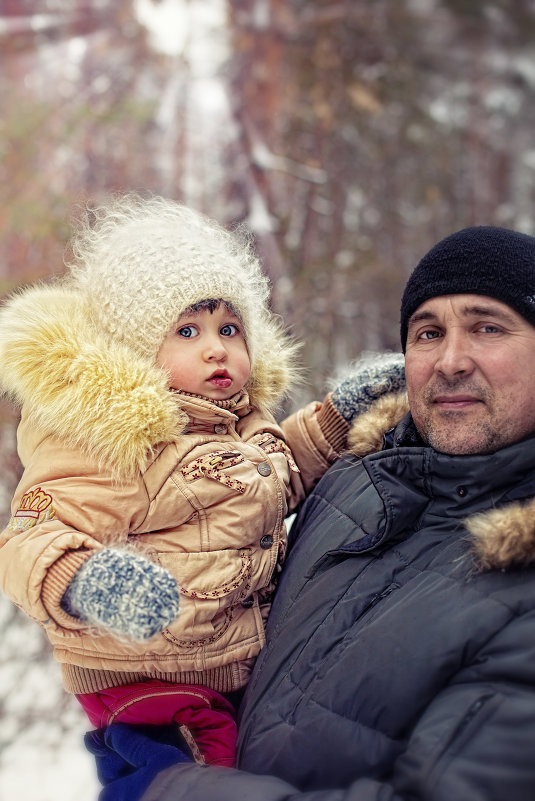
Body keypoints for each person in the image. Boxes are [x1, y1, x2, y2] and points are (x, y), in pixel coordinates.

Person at [95, 224, 535, 801]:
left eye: (487, 327)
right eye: (428, 332)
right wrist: (169, 708)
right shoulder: (354, 483)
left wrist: (174, 790)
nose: (450, 360)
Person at [0, 194, 405, 772]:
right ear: (138, 350)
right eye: (187, 330)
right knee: (207, 778)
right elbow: (28, 535)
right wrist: (87, 580)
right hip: (148, 678)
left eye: (230, 327)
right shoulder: (119, 437)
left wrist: (338, 417)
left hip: (226, 660)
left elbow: (276, 478)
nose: (216, 346)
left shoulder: (241, 422)